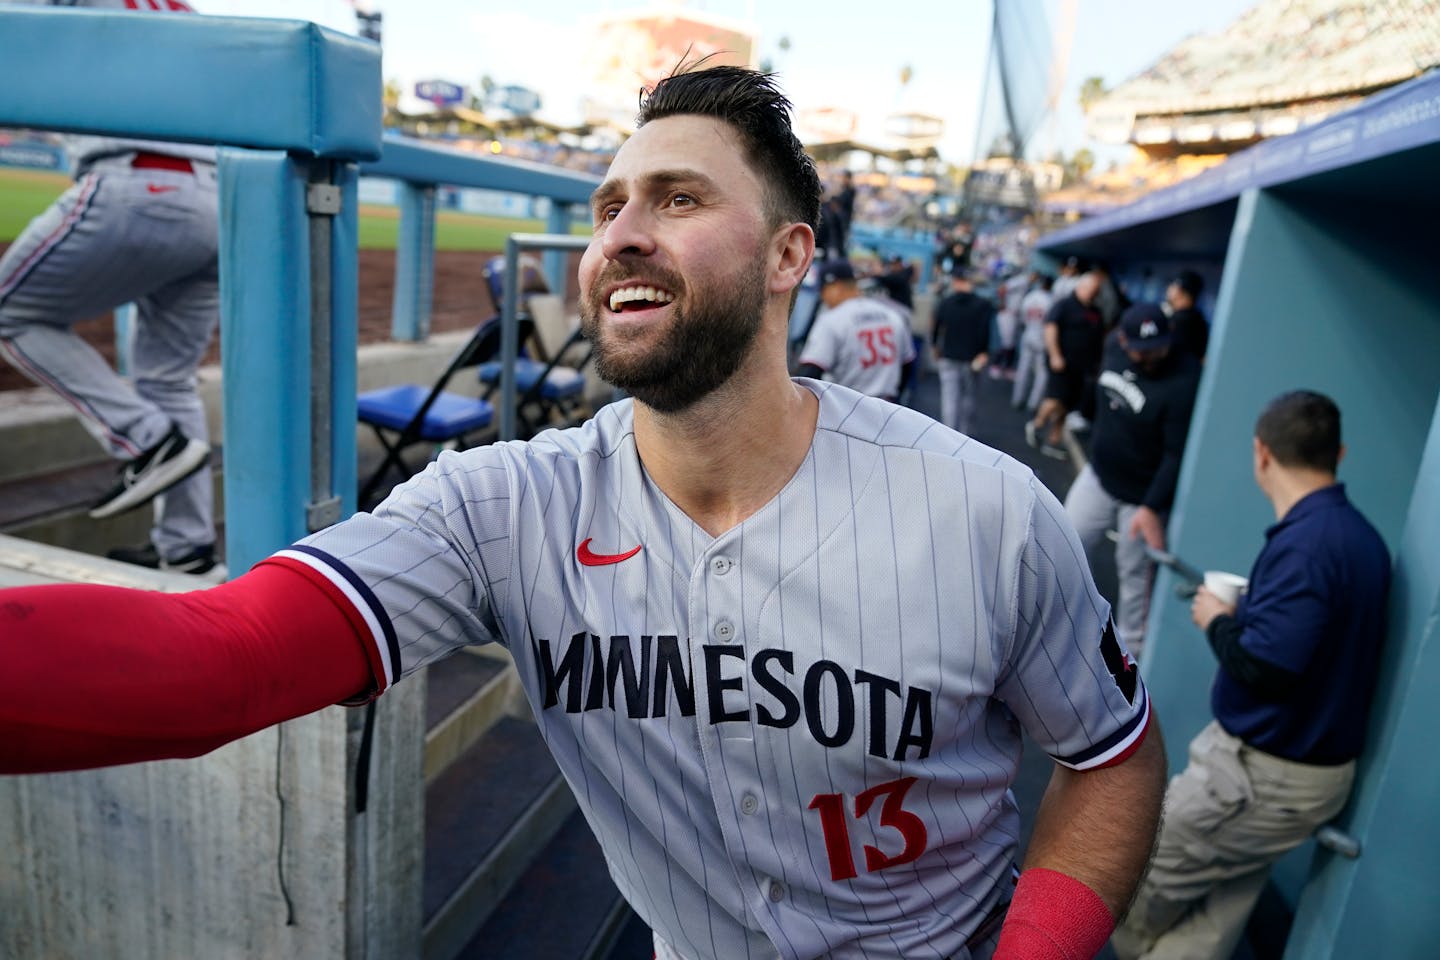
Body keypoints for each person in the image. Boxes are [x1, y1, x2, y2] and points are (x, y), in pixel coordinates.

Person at [0, 64, 1166, 960]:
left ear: (787, 256)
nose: (622, 232)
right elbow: (228, 659)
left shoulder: (987, 509)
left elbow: (1111, 757)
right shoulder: (503, 502)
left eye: (678, 197)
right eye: (609, 205)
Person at [1112, 390, 1391, 960]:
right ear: (1337, 452)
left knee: (1134, 874)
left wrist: (1217, 620)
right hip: (1306, 777)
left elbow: (1265, 669)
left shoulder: (1307, 546)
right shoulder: (1359, 538)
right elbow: (1309, 643)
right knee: (1221, 912)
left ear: (1261, 453)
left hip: (1260, 778)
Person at [0, 0, 219, 575]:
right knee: (169, 380)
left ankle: (146, 440)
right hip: (218, 201)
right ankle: (188, 552)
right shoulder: (188, 13)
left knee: (10, 315)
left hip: (133, 184)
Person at [1063, 303, 1201, 659]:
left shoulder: (1184, 378)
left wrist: (1152, 507)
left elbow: (1175, 453)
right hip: (1099, 475)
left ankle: (1130, 667)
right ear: (1123, 340)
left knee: (1134, 581)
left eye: (1158, 348)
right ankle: (1069, 628)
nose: (1151, 357)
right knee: (1063, 543)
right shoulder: (1113, 346)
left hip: (1140, 497)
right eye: (1142, 350)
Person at [796, 258, 915, 402]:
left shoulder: (832, 320)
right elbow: (908, 364)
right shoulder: (891, 315)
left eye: (823, 290)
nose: (822, 296)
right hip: (887, 407)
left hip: (847, 410)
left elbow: (809, 374)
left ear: (836, 287)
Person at [1027, 271, 1104, 459]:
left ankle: (1053, 441)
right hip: (1061, 363)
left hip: (1082, 367)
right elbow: (1050, 328)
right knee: (1056, 398)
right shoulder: (1065, 305)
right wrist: (1055, 355)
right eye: (1090, 289)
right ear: (1080, 287)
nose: (1092, 293)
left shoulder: (1095, 312)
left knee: (1067, 404)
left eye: (1096, 290)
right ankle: (1037, 424)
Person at [929, 264, 994, 436]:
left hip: (949, 356)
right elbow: (985, 331)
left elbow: (936, 328)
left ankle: (948, 439)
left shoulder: (946, 302)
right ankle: (966, 439)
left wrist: (935, 346)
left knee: (950, 401)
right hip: (971, 359)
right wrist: (984, 352)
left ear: (956, 281)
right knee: (969, 401)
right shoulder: (983, 304)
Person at [1012, 273, 1054, 414]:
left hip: (1028, 333)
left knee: (1023, 368)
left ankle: (1017, 399)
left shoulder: (1030, 297)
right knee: (1042, 372)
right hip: (1042, 337)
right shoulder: (1051, 300)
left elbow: (1022, 316)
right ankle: (1033, 403)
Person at [1164, 269, 1209, 363]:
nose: (1169, 288)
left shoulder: (1182, 320)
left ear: (1182, 292)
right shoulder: (1196, 317)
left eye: (1173, 286)